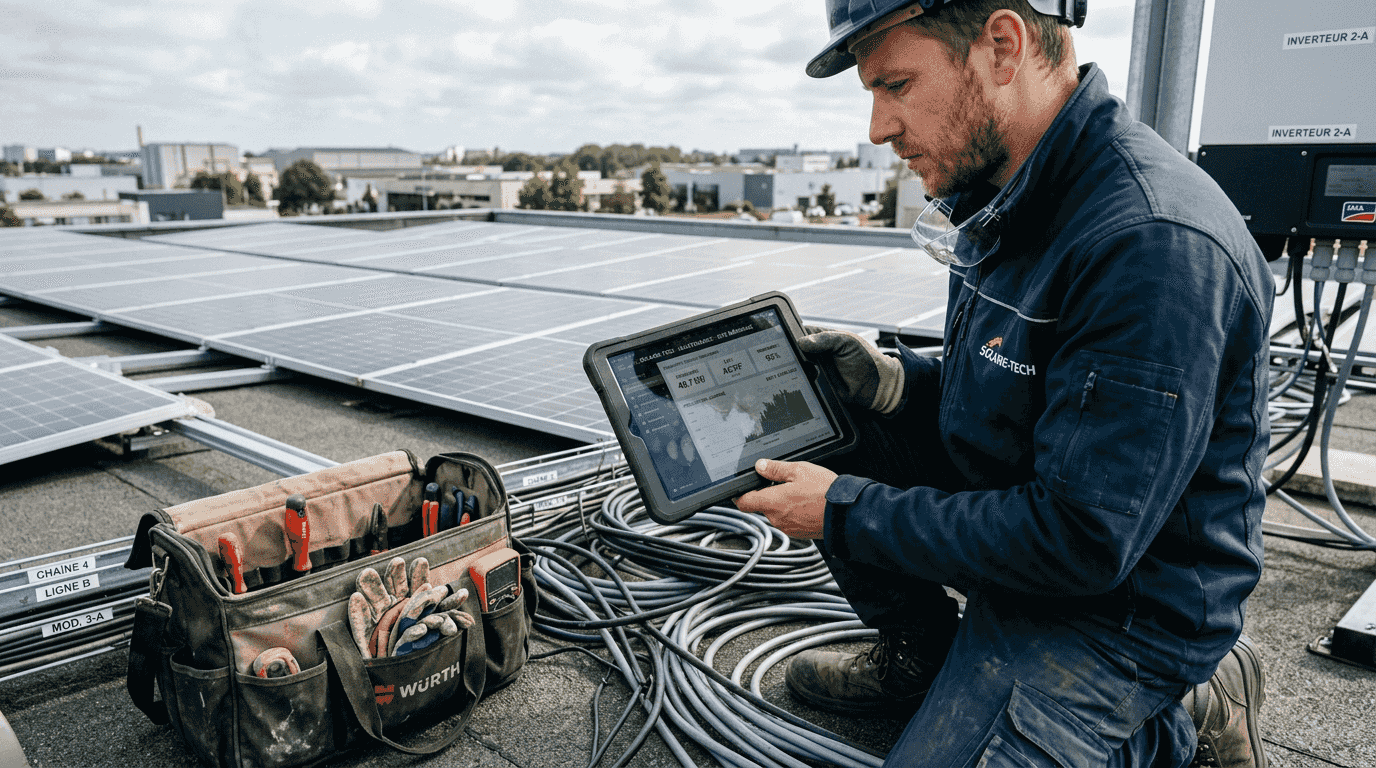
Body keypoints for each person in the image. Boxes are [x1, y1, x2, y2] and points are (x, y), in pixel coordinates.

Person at [734, 1, 1273, 766]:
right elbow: (1029, 388)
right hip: (1029, 529)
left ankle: (1178, 708)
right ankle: (925, 658)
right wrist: (895, 385)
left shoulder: (1148, 244)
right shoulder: (1010, 186)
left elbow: (1083, 541)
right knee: (833, 414)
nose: (878, 128)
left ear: (1000, 45)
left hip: (1117, 608)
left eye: (895, 85)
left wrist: (841, 512)